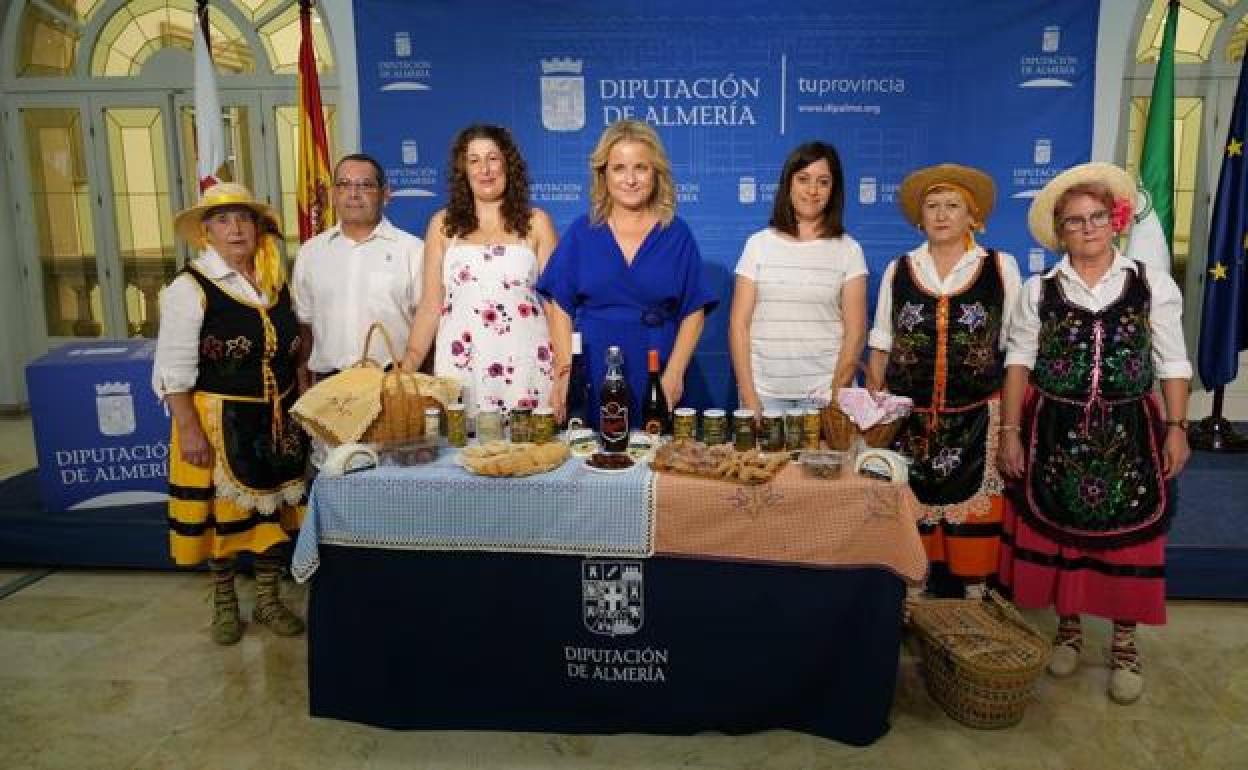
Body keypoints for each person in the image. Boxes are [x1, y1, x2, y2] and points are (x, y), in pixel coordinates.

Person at [997, 162, 1192, 705]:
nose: (1088, 229)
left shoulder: (1151, 284)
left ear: (1116, 221)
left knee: (1130, 535)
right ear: (1060, 231)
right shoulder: (1039, 290)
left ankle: (1126, 643)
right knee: (1065, 531)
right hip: (1055, 429)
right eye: (1075, 221)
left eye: (1098, 217)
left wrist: (1176, 427)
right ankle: (1070, 629)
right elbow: (1018, 361)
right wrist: (1010, 431)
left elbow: (1173, 361)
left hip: (1131, 430)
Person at [153, 183, 307, 645]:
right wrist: (190, 431)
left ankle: (267, 599)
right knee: (222, 518)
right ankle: (224, 602)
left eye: (243, 218)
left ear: (258, 227)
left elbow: (292, 351)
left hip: (277, 419)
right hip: (218, 422)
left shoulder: (275, 281)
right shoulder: (190, 287)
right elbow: (173, 371)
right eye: (223, 220)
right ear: (206, 232)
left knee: (273, 514)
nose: (235, 228)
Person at [865, 163, 1021, 600]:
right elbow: (881, 341)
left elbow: (1014, 348)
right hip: (909, 419)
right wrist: (876, 413)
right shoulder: (900, 269)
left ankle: (975, 593)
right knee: (912, 505)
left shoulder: (1000, 266)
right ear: (920, 216)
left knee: (974, 512)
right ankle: (913, 590)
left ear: (973, 216)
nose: (941, 214)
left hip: (975, 417)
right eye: (932, 206)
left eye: (953, 206)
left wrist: (1011, 422)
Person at [538, 119, 717, 428]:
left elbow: (694, 310)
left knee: (657, 462)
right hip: (596, 370)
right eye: (619, 168)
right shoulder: (583, 233)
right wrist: (566, 373)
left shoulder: (676, 233)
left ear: (656, 173)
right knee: (594, 461)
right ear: (603, 175)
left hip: (657, 368)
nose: (630, 179)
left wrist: (674, 373)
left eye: (641, 168)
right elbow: (559, 307)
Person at [402, 125, 558, 419]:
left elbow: (556, 308)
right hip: (462, 371)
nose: (484, 169)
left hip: (527, 369)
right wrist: (407, 365)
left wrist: (565, 372)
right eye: (474, 160)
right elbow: (430, 306)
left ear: (508, 165)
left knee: (530, 458)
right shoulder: (442, 225)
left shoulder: (537, 223)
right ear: (464, 170)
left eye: (493, 159)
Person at [729, 141, 867, 415]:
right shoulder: (758, 245)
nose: (812, 190)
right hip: (764, 395)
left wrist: (836, 397)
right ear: (788, 184)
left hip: (825, 398)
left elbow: (856, 332)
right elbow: (738, 325)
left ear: (834, 189)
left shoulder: (849, 250)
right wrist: (749, 396)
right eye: (803, 179)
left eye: (823, 182)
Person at [293, 153, 424, 386]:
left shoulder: (413, 251)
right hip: (327, 387)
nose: (353, 194)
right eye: (344, 185)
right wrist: (304, 380)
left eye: (365, 185)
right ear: (333, 194)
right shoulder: (310, 253)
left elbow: (427, 323)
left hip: (394, 385)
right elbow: (305, 325)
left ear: (385, 195)